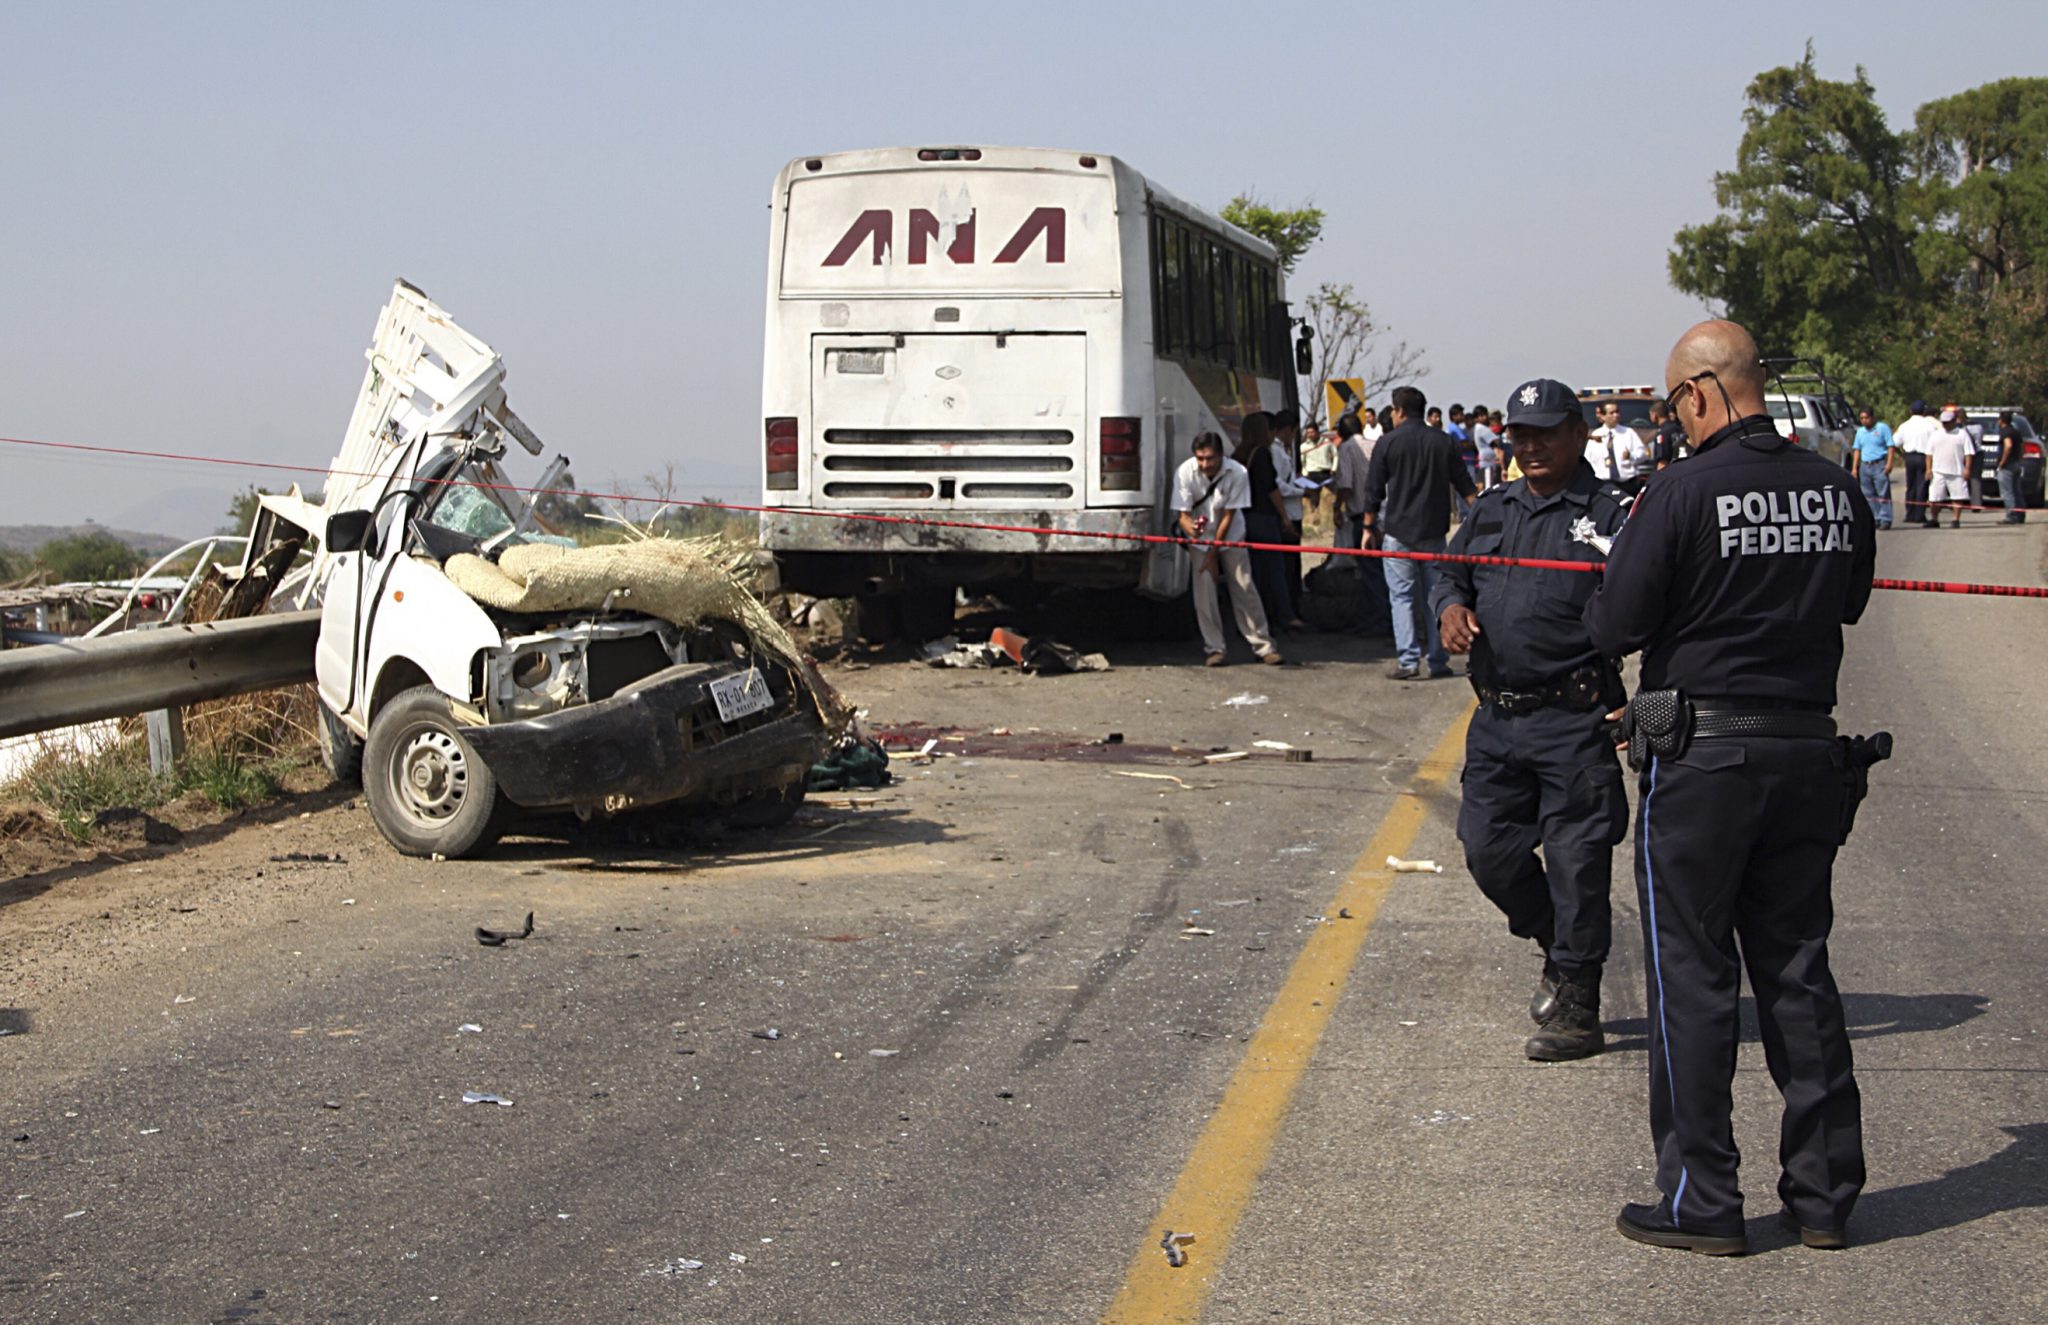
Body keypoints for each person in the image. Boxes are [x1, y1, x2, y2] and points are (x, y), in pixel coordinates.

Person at [1585, 319, 1875, 1257]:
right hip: (1805, 755)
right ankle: (1825, 1195)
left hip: (1703, 764)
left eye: (1674, 404)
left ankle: (1702, 1198)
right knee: (1797, 969)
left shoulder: (1677, 491)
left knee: (1694, 978)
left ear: (1700, 393)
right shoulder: (1837, 490)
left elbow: (1616, 622)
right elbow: (1848, 600)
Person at [1432, 378, 1630, 1060]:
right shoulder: (1494, 509)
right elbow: (1448, 571)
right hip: (1497, 720)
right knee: (1488, 852)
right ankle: (1557, 941)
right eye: (1521, 434)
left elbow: (1657, 602)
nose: (1532, 445)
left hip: (1576, 720)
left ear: (1579, 434)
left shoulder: (1612, 515)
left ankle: (1578, 1000)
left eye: (1547, 431)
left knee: (1578, 863)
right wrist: (1449, 609)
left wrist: (1650, 692)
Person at [1360, 385, 1476, 679]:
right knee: (1435, 597)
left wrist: (1367, 527)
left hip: (1398, 533)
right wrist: (1480, 517)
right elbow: (1464, 485)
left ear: (1398, 411)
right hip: (1434, 534)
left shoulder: (1387, 443)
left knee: (1401, 598)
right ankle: (1438, 661)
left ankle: (1408, 661)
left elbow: (1373, 489)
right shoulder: (1443, 442)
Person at [1173, 431, 1282, 667]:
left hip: (1230, 534)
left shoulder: (1238, 472)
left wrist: (1213, 554)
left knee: (1243, 586)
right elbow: (1181, 515)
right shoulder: (1185, 472)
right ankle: (1215, 648)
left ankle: (1263, 645)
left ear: (1221, 456)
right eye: (1200, 458)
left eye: (1210, 458)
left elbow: (1228, 516)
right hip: (1200, 540)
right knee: (1204, 592)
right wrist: (1190, 528)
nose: (1204, 464)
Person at [1235, 412, 1299, 631]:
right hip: (1264, 518)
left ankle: (1255, 617)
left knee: (1254, 572)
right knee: (1275, 569)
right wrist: (1284, 517)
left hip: (1245, 518)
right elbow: (1271, 489)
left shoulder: (1239, 454)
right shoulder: (1262, 453)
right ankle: (1284, 615)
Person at [1268, 407, 1315, 627]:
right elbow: (1277, 485)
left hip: (1294, 511)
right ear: (1286, 430)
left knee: (1294, 565)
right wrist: (1300, 491)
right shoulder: (1275, 452)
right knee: (1286, 567)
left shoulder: (1285, 450)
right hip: (1285, 512)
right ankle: (1286, 613)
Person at [1587, 401, 1652, 493]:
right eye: (1612, 413)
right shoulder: (1596, 435)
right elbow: (1589, 459)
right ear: (1602, 416)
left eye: (1617, 412)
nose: (1616, 415)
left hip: (1627, 484)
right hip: (1604, 485)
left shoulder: (1628, 433)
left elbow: (1643, 454)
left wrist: (1631, 456)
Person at [1927, 405, 1975, 529]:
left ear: (1954, 421)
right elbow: (1929, 453)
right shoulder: (1935, 434)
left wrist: (1968, 469)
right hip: (1938, 471)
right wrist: (1928, 469)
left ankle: (1956, 519)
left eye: (1948, 422)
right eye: (1944, 423)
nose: (1945, 425)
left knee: (1957, 496)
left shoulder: (1962, 434)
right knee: (1934, 497)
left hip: (1957, 471)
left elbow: (1968, 453)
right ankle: (1934, 519)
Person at [1893, 400, 1938, 525]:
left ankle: (1910, 514)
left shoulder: (1905, 425)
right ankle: (1919, 514)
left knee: (1911, 486)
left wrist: (1902, 455)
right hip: (1924, 457)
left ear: (1910, 411)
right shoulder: (1929, 425)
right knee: (1922, 486)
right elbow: (1935, 442)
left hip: (1910, 457)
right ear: (1924, 411)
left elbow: (1894, 443)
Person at [1851, 407, 1894, 529]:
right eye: (1862, 418)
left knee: (1883, 493)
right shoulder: (1860, 432)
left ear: (1872, 417)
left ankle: (1885, 518)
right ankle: (1874, 518)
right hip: (1865, 465)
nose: (1864, 421)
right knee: (1868, 494)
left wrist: (1889, 464)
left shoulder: (1882, 428)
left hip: (1879, 464)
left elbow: (1890, 446)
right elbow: (1857, 450)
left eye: (1866, 418)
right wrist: (1855, 468)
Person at [1993, 410, 2027, 525]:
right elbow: (2022, 446)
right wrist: (2019, 458)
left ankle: (2011, 516)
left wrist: (2003, 461)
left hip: (2007, 466)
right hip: (2016, 464)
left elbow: (2008, 445)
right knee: (2017, 491)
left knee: (2007, 492)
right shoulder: (2015, 431)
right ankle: (2020, 515)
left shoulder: (2005, 432)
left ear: (2001, 420)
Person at [1648, 401, 1691, 470]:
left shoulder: (1662, 433)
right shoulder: (1678, 428)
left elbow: (1662, 461)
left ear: (1654, 415)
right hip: (1685, 467)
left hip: (1671, 471)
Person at [1471, 408, 1503, 490]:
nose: (1485, 417)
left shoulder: (1478, 428)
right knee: (1489, 487)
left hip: (1486, 461)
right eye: (1481, 416)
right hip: (1488, 463)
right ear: (1476, 418)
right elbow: (1495, 442)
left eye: (1485, 415)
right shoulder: (1482, 428)